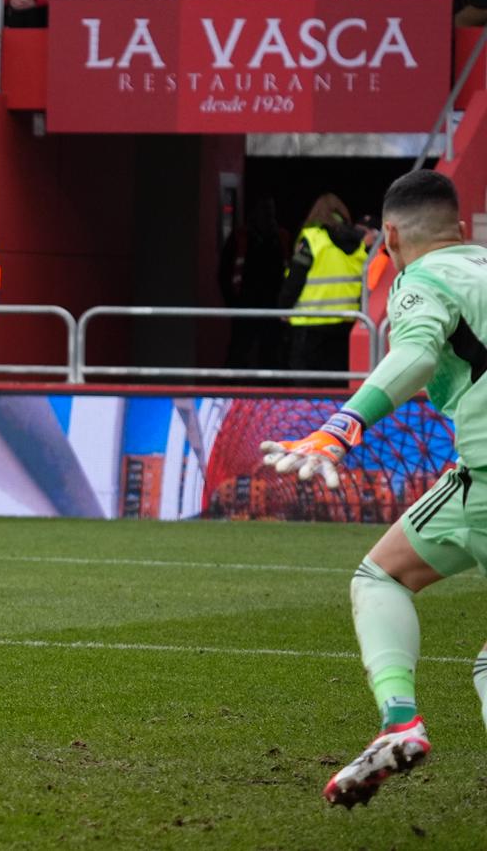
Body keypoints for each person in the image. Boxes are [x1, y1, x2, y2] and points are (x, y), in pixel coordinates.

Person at [257, 170, 487, 808]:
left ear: (388, 236)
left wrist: (342, 425)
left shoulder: (422, 277)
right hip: (475, 480)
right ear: (461, 225)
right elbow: (451, 360)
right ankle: (398, 726)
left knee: (378, 577)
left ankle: (402, 719)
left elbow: (415, 351)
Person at [279, 191, 369, 376]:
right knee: (337, 380)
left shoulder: (313, 239)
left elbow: (296, 278)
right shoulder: (359, 243)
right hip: (345, 324)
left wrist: (284, 307)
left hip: (310, 323)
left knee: (307, 384)